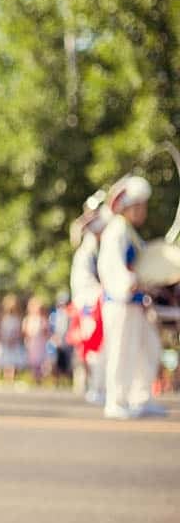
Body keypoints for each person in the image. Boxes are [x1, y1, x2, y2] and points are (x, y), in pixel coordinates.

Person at [98, 175, 166, 418]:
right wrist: (130, 283)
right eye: (138, 205)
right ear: (125, 207)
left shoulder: (131, 232)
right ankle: (116, 401)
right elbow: (111, 266)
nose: (142, 211)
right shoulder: (116, 230)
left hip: (136, 304)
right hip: (120, 303)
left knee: (148, 348)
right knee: (121, 351)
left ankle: (141, 397)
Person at [69, 196, 111, 403]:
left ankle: (99, 386)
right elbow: (84, 284)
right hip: (90, 304)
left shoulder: (104, 245)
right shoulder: (85, 251)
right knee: (92, 347)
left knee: (102, 347)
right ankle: (94, 387)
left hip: (101, 302)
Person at [0, 294, 26, 382]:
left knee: (13, 361)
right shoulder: (3, 318)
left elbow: (20, 331)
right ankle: (6, 378)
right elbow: (0, 330)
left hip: (14, 343)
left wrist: (15, 338)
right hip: (5, 342)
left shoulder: (18, 318)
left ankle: (12, 378)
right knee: (6, 360)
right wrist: (2, 338)